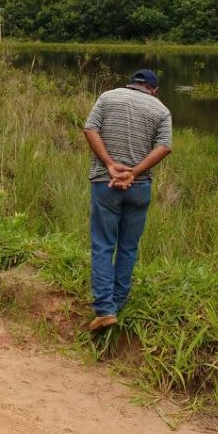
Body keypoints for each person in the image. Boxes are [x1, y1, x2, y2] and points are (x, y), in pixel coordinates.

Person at [83, 69, 172, 333]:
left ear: (131, 84)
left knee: (102, 245)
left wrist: (111, 165)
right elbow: (165, 146)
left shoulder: (108, 97)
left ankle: (105, 309)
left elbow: (90, 128)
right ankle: (118, 303)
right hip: (139, 186)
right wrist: (134, 172)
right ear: (154, 90)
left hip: (105, 182)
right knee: (128, 247)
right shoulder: (161, 109)